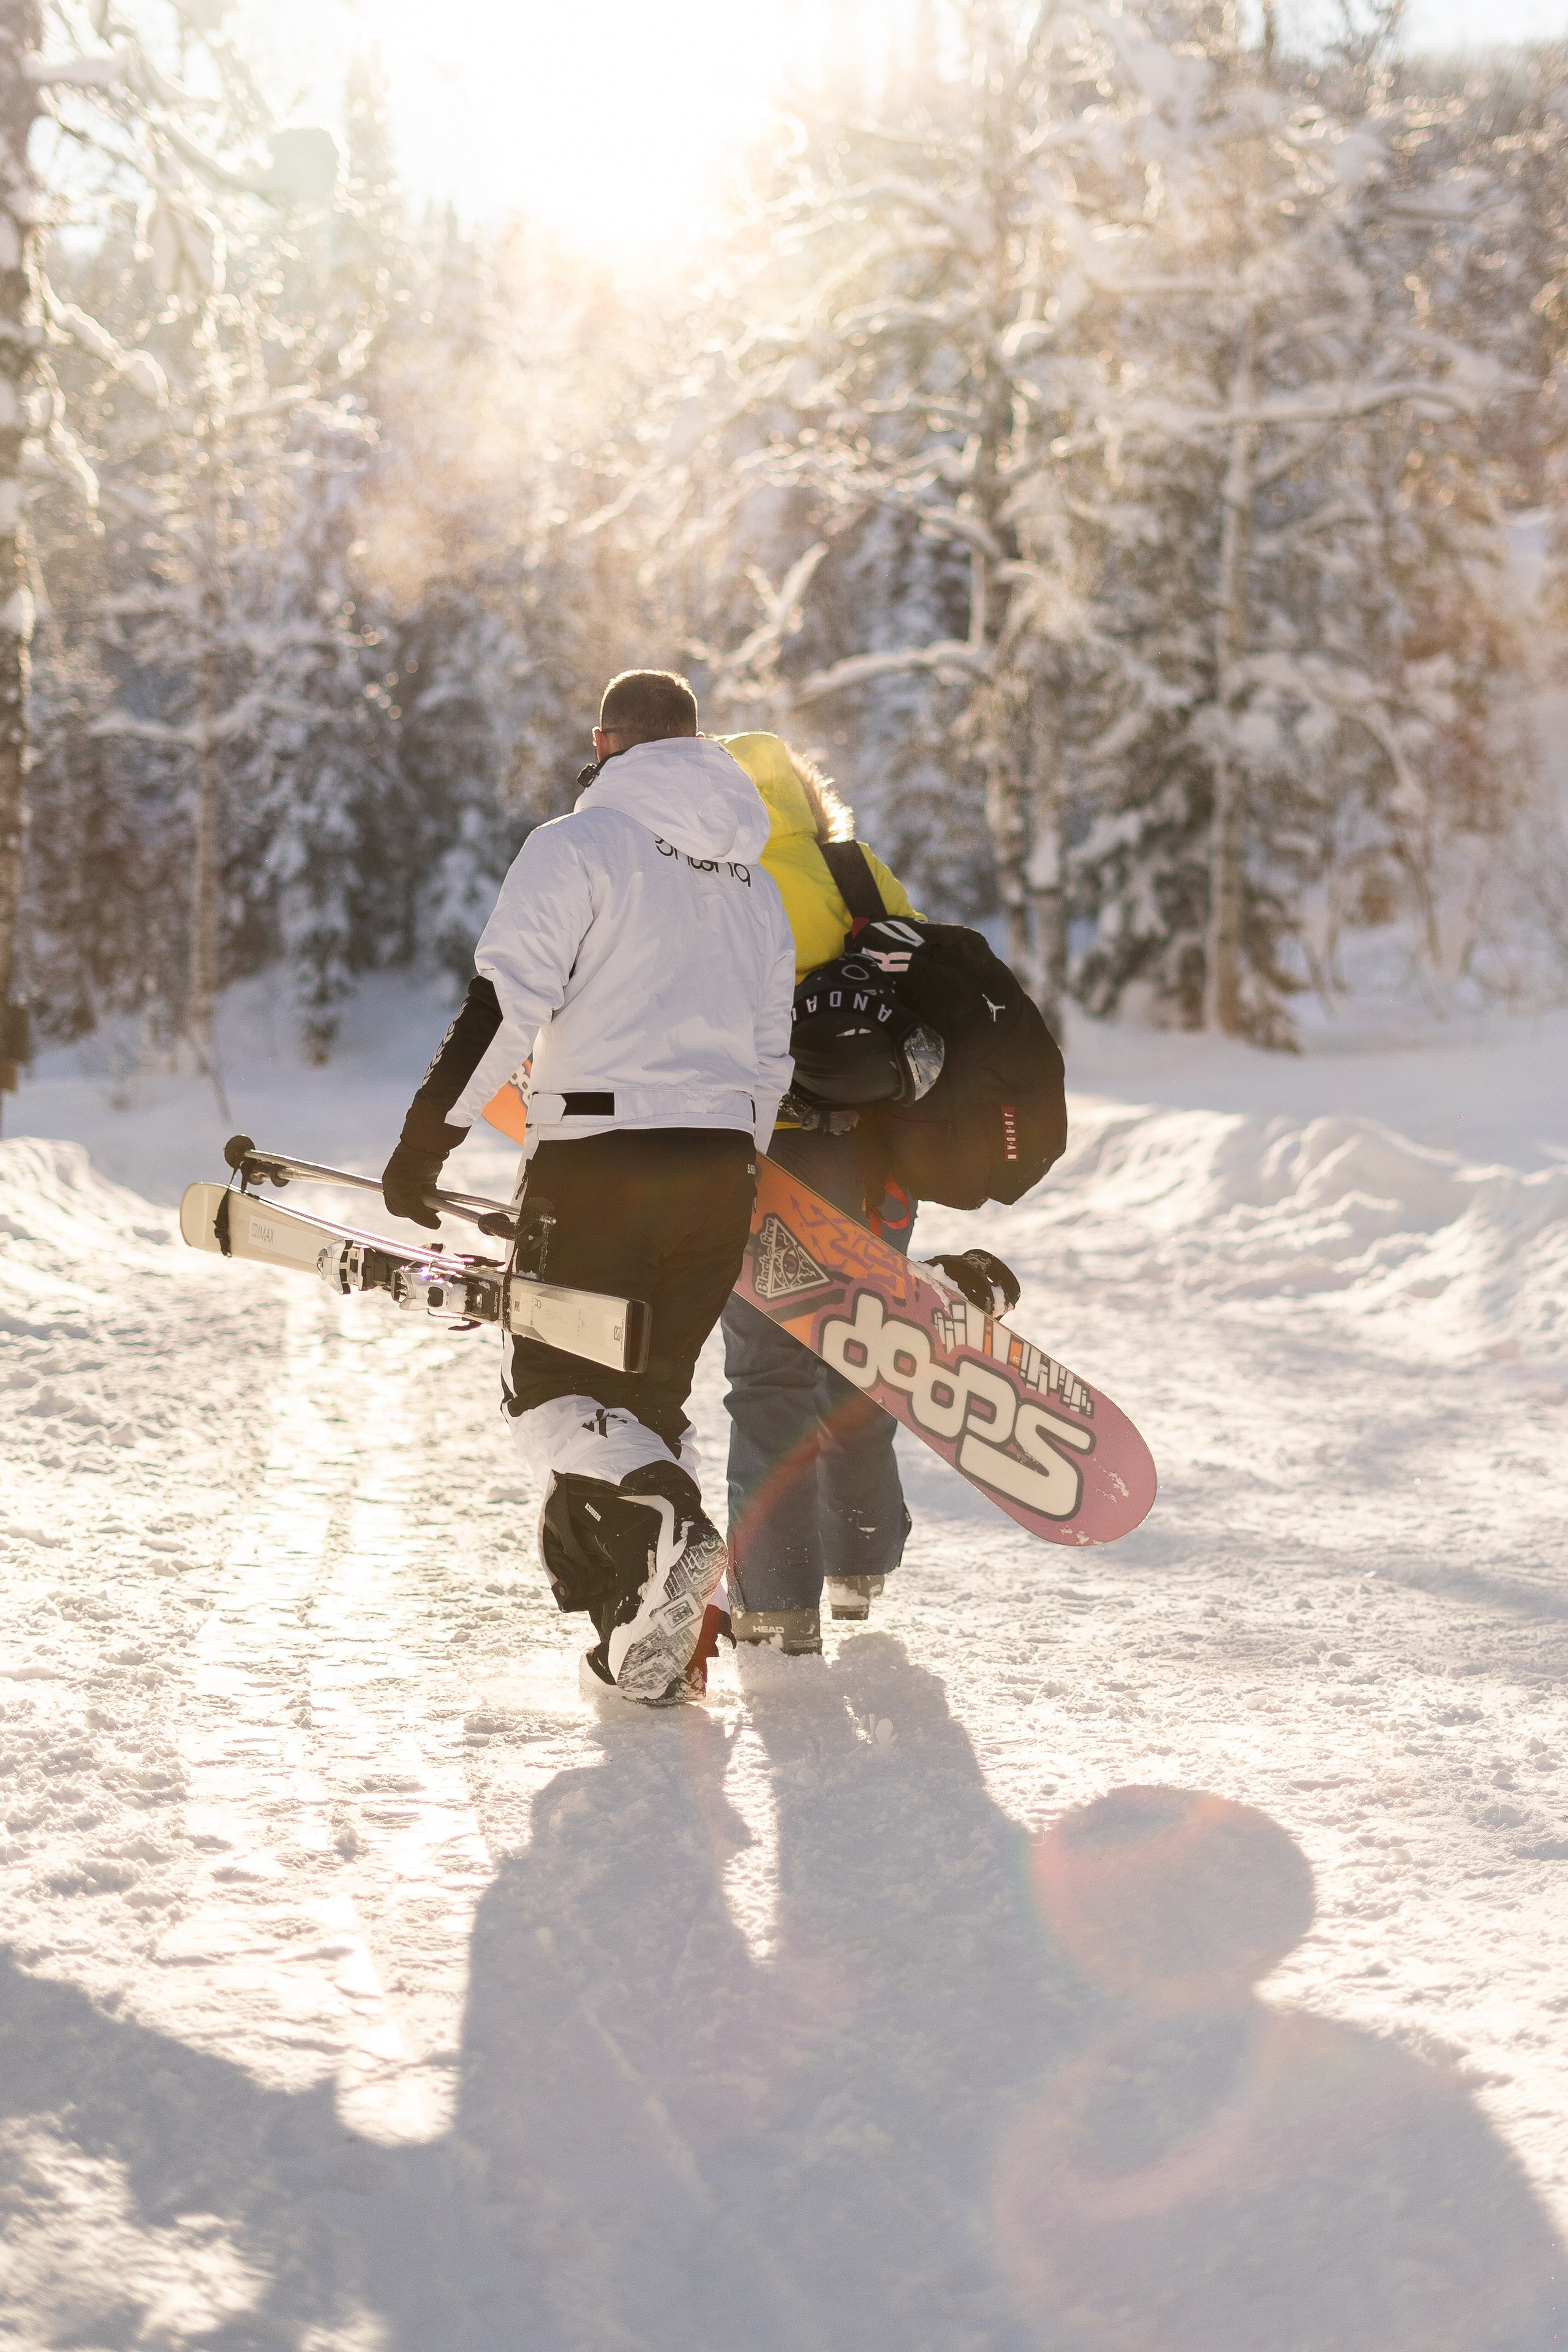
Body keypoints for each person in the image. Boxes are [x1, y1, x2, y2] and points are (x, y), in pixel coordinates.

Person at [381, 672, 795, 1708]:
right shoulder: (756, 882)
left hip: (601, 1161)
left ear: (608, 744)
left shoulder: (577, 846)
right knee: (645, 1401)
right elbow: (769, 1054)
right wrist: (736, 1159)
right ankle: (633, 1631)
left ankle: (668, 1520)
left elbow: (501, 1006)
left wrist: (426, 1143)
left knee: (551, 1393)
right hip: (719, 1168)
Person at [714, 733, 925, 1657]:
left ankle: (776, 1601)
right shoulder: (859, 875)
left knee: (766, 1373)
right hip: (869, 1165)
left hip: (756, 1160)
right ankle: (864, 1557)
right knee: (860, 1354)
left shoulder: (707, 880)